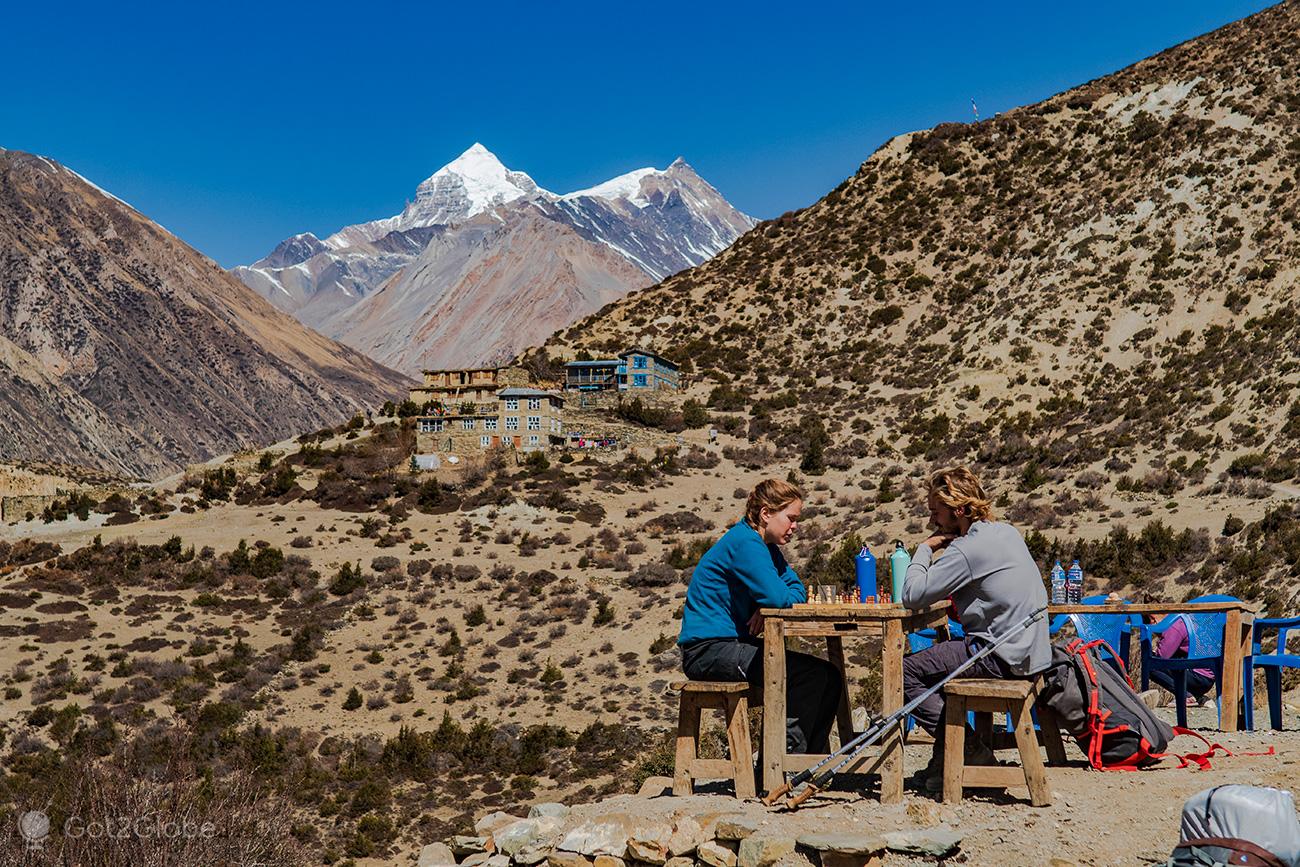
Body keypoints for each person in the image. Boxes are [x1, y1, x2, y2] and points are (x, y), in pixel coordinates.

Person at [900, 467, 1051, 793]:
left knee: (902, 672)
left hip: (999, 655)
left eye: (935, 513)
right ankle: (946, 760)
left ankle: (968, 749)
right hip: (1030, 654)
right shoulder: (1008, 532)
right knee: (937, 663)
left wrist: (926, 548)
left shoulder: (967, 548)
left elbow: (911, 595)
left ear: (957, 511)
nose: (933, 522)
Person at [678, 479, 843, 754]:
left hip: (731, 645)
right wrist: (770, 601)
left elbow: (797, 590)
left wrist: (763, 605)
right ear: (766, 513)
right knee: (807, 676)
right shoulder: (746, 543)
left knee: (829, 675)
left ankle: (805, 765)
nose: (795, 526)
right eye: (790, 518)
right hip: (707, 650)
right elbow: (779, 598)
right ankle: (780, 765)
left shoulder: (767, 548)